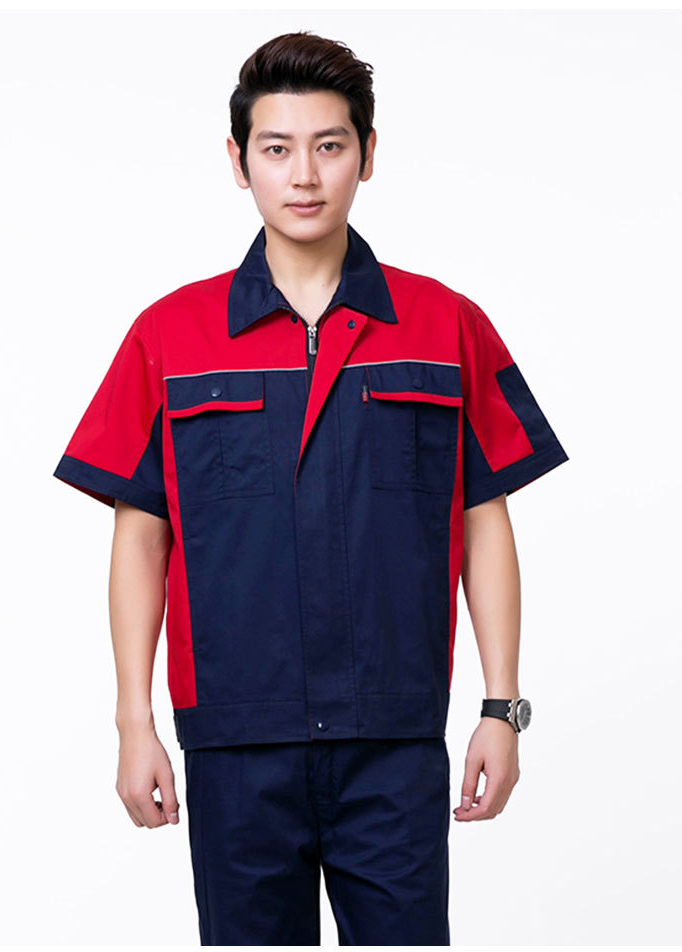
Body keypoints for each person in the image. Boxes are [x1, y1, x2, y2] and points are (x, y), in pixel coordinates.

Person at [53, 30, 569, 946]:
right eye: (276, 148)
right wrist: (135, 721)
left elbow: (483, 518)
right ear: (238, 161)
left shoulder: (445, 324)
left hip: (393, 741)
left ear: (367, 154)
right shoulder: (170, 336)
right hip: (236, 744)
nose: (303, 175)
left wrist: (502, 706)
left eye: (329, 146)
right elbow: (140, 534)